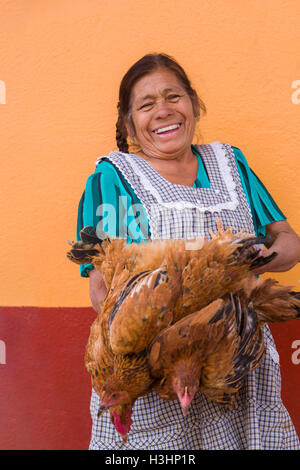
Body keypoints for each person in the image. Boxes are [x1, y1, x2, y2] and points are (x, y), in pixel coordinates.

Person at [76, 53, 300, 450]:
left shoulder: (231, 164)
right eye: (146, 105)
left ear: (193, 104)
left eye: (173, 97)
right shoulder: (116, 178)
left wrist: (261, 260)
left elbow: (286, 239)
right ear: (129, 122)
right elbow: (101, 285)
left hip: (237, 362)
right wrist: (156, 342)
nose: (163, 111)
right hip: (156, 375)